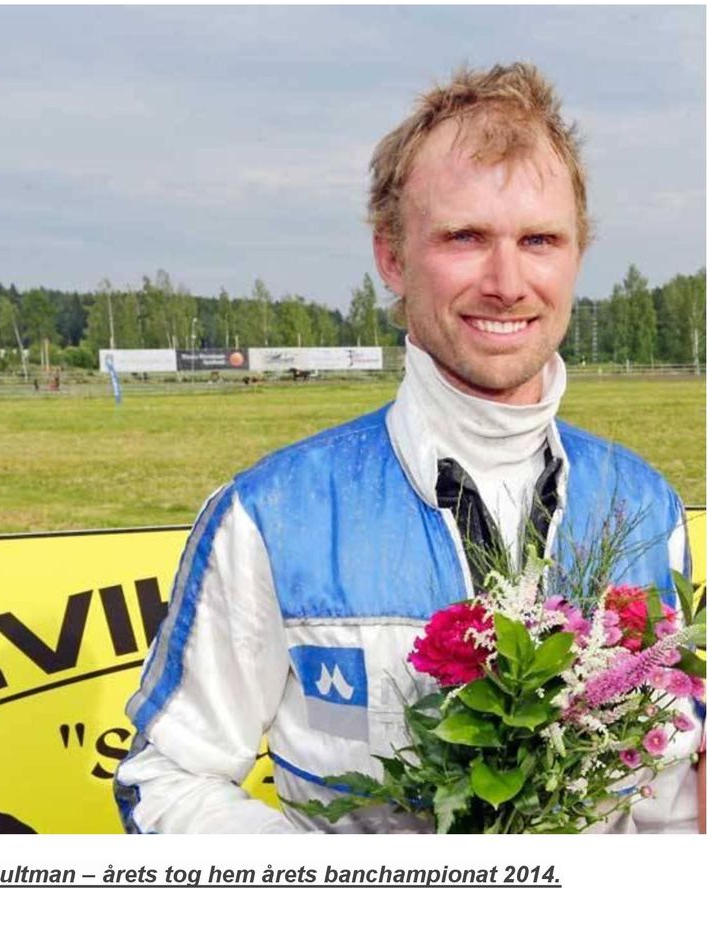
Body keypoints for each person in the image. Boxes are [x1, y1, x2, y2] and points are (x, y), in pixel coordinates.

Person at [115, 61, 702, 835]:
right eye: (465, 237)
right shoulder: (271, 515)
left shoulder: (644, 507)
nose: (507, 281)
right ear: (392, 257)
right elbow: (167, 776)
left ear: (575, 256)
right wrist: (348, 904)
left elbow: (663, 799)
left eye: (540, 240)